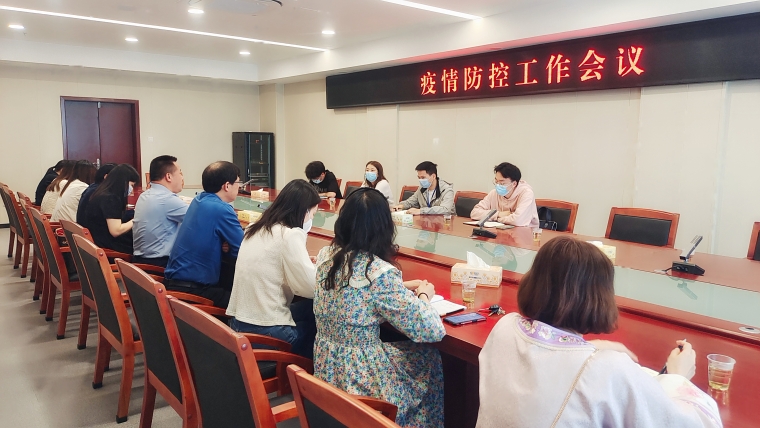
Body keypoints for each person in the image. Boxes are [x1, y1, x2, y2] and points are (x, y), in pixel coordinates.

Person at [476, 237, 722, 428]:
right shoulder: (607, 370)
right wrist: (677, 377)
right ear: (598, 298)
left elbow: (549, 355)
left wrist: (594, 349)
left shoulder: (505, 327)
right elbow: (686, 422)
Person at [314, 188, 446, 427]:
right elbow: (431, 330)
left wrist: (400, 286)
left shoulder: (326, 257)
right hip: (362, 379)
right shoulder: (378, 273)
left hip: (328, 369)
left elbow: (354, 294)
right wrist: (424, 296)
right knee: (428, 358)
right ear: (384, 228)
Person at [227, 179, 321, 358]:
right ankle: (302, 373)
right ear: (303, 211)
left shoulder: (254, 228)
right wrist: (320, 269)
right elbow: (310, 288)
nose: (311, 220)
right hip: (268, 333)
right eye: (312, 214)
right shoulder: (290, 235)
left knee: (308, 308)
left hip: (239, 325)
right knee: (318, 321)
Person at [163, 161, 245, 308]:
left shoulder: (198, 200)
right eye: (238, 183)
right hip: (194, 292)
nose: (239, 187)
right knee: (245, 304)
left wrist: (224, 246)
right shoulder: (222, 209)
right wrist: (229, 247)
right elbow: (242, 250)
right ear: (227, 186)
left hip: (174, 284)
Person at [131, 155, 188, 267]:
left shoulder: (145, 195)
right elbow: (201, 219)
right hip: (159, 265)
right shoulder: (167, 199)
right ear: (168, 176)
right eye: (180, 173)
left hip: (140, 262)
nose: (182, 177)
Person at [81, 164, 140, 254]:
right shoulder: (111, 198)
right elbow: (116, 231)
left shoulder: (100, 193)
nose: (131, 190)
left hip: (97, 241)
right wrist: (137, 219)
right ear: (123, 182)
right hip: (107, 247)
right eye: (131, 185)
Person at [471, 162, 539, 227]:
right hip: (499, 230)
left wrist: (496, 219)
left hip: (525, 232)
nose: (498, 185)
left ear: (514, 184)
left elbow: (517, 221)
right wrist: (498, 214)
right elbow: (474, 213)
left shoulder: (526, 194)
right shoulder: (494, 193)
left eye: (502, 183)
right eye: (496, 181)